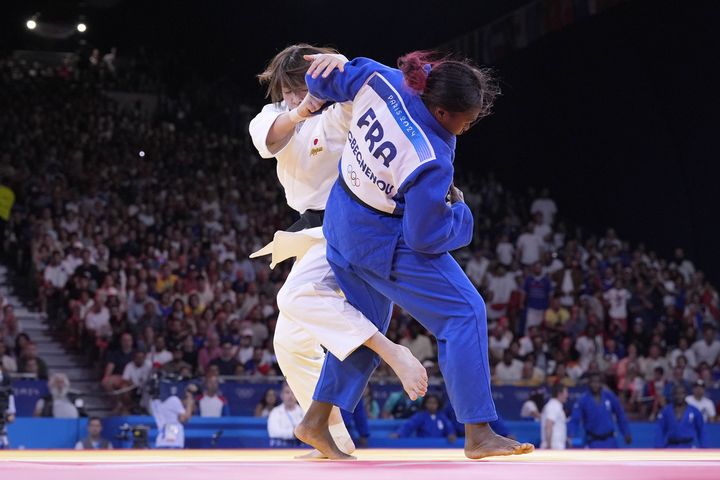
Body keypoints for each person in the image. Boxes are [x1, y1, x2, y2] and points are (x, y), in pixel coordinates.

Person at [294, 50, 532, 460]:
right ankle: (479, 433)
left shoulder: (378, 76)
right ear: (441, 111)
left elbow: (321, 84)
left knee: (365, 326)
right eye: (466, 120)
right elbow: (423, 237)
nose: (467, 127)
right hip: (379, 243)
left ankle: (315, 421)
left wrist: (328, 66)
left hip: (340, 222)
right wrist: (460, 216)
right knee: (464, 311)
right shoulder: (431, 157)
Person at [249, 45, 427, 455]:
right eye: (288, 89)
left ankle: (392, 352)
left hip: (350, 224)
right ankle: (333, 440)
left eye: (302, 87)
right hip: (311, 231)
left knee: (295, 296)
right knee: (290, 342)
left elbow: (379, 99)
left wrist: (343, 67)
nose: (295, 95)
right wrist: (299, 111)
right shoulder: (275, 116)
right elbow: (270, 140)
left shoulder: (345, 110)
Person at [568, 373, 631, 448]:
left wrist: (626, 432)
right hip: (592, 441)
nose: (595, 385)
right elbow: (575, 419)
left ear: (601, 384)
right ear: (589, 383)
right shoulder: (583, 400)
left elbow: (620, 414)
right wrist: (571, 435)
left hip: (610, 441)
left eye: (598, 382)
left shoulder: (609, 396)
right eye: (593, 382)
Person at [390, 394, 457, 443]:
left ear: (438, 404)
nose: (432, 405)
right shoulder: (421, 416)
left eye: (434, 403)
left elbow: (449, 427)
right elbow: (409, 425)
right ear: (425, 404)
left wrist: (451, 434)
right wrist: (399, 434)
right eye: (429, 403)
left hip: (439, 446)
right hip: (424, 445)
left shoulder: (442, 417)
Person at [267, 383, 304, 447]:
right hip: (280, 448)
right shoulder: (275, 412)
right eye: (287, 392)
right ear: (282, 395)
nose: (290, 396)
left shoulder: (304, 412)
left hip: (300, 447)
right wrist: (293, 433)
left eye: (293, 393)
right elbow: (273, 432)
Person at [541, 383, 568, 450]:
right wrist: (549, 446)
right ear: (559, 393)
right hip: (553, 447)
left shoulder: (556, 406)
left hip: (556, 447)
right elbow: (549, 425)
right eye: (566, 392)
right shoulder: (553, 405)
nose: (567, 395)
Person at [0, 367, 16, 449]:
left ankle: (5, 444)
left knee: (2, 428)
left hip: (3, 410)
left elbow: (10, 399)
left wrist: (11, 413)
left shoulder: (7, 392)